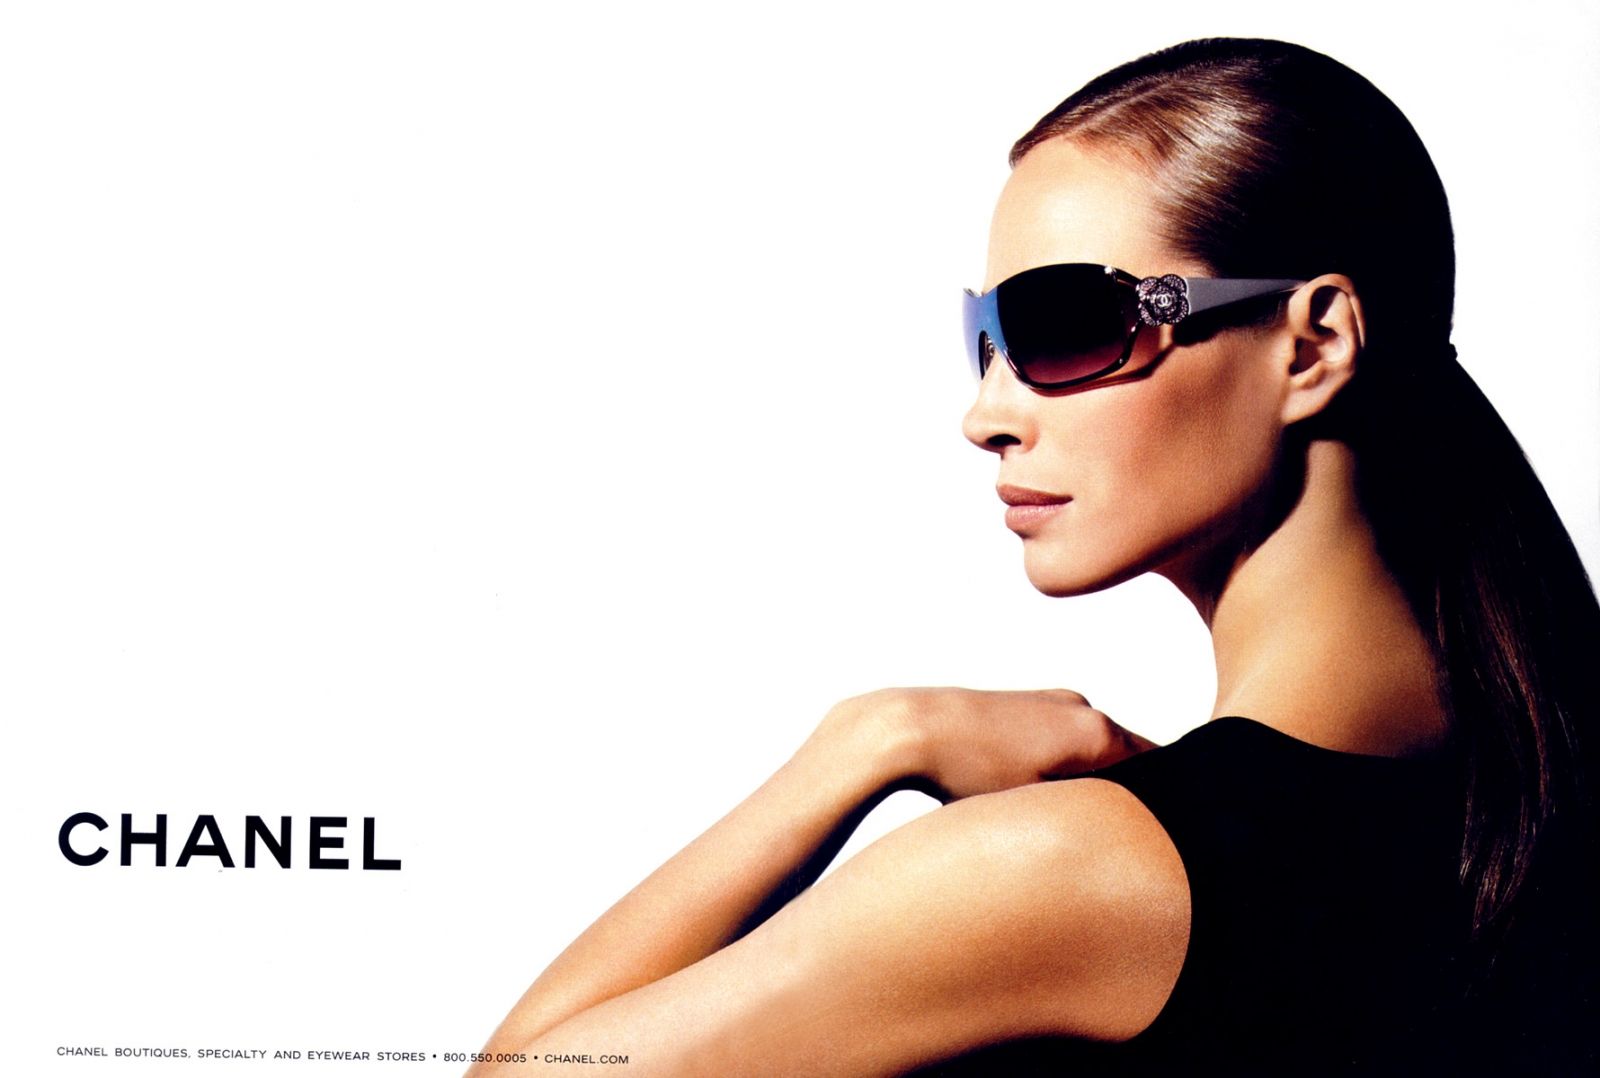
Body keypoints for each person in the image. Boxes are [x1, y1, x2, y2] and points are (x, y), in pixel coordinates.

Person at [470, 39, 1598, 1076]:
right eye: (987, 340)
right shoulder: (1538, 795)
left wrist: (871, 739)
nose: (986, 416)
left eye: (1065, 326)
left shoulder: (1075, 871)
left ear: (1312, 346)